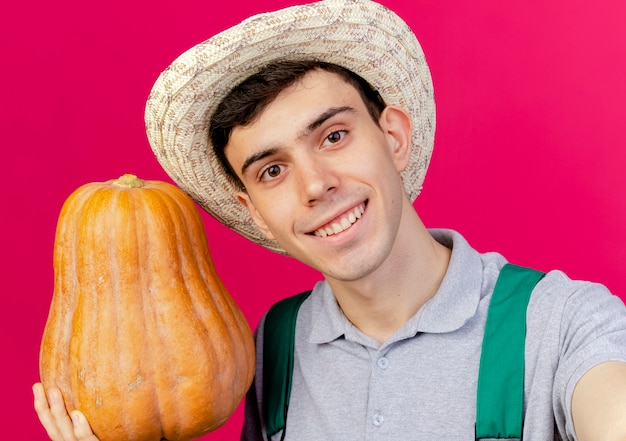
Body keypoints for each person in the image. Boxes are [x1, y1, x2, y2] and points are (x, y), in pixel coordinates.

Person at [34, 0, 626, 440]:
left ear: (393, 137)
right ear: (255, 214)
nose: (316, 184)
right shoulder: (273, 347)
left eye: (334, 136)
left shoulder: (562, 321)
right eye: (271, 172)